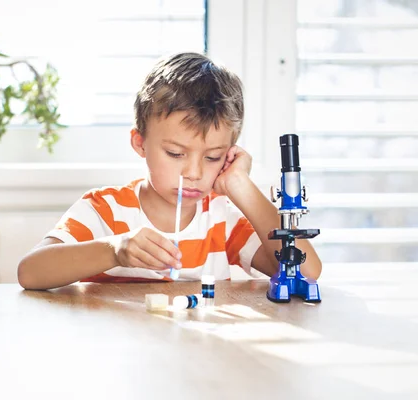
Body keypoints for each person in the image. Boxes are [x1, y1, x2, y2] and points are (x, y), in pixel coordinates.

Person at [17, 52, 322, 290]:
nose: (193, 172)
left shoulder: (221, 218)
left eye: (213, 157)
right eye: (176, 153)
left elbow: (306, 272)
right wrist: (114, 250)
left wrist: (242, 186)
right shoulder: (105, 211)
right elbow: (30, 272)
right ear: (140, 143)